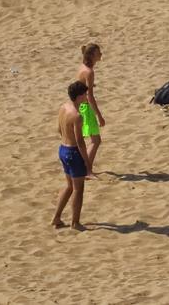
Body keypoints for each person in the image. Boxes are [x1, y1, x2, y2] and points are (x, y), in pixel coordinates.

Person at [52, 81, 93, 230]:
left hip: (63, 149)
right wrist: (87, 162)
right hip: (73, 152)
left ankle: (56, 217)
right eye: (85, 94)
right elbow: (80, 142)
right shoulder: (77, 116)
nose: (87, 97)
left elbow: (59, 129)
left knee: (69, 186)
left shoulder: (64, 107)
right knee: (78, 189)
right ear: (79, 96)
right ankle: (75, 223)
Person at [77, 43, 105, 177]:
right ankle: (87, 171)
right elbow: (90, 96)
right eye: (98, 53)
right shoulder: (90, 72)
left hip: (80, 106)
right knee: (95, 141)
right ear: (92, 55)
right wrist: (99, 115)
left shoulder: (82, 67)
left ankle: (84, 169)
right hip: (86, 108)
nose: (101, 54)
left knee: (90, 140)